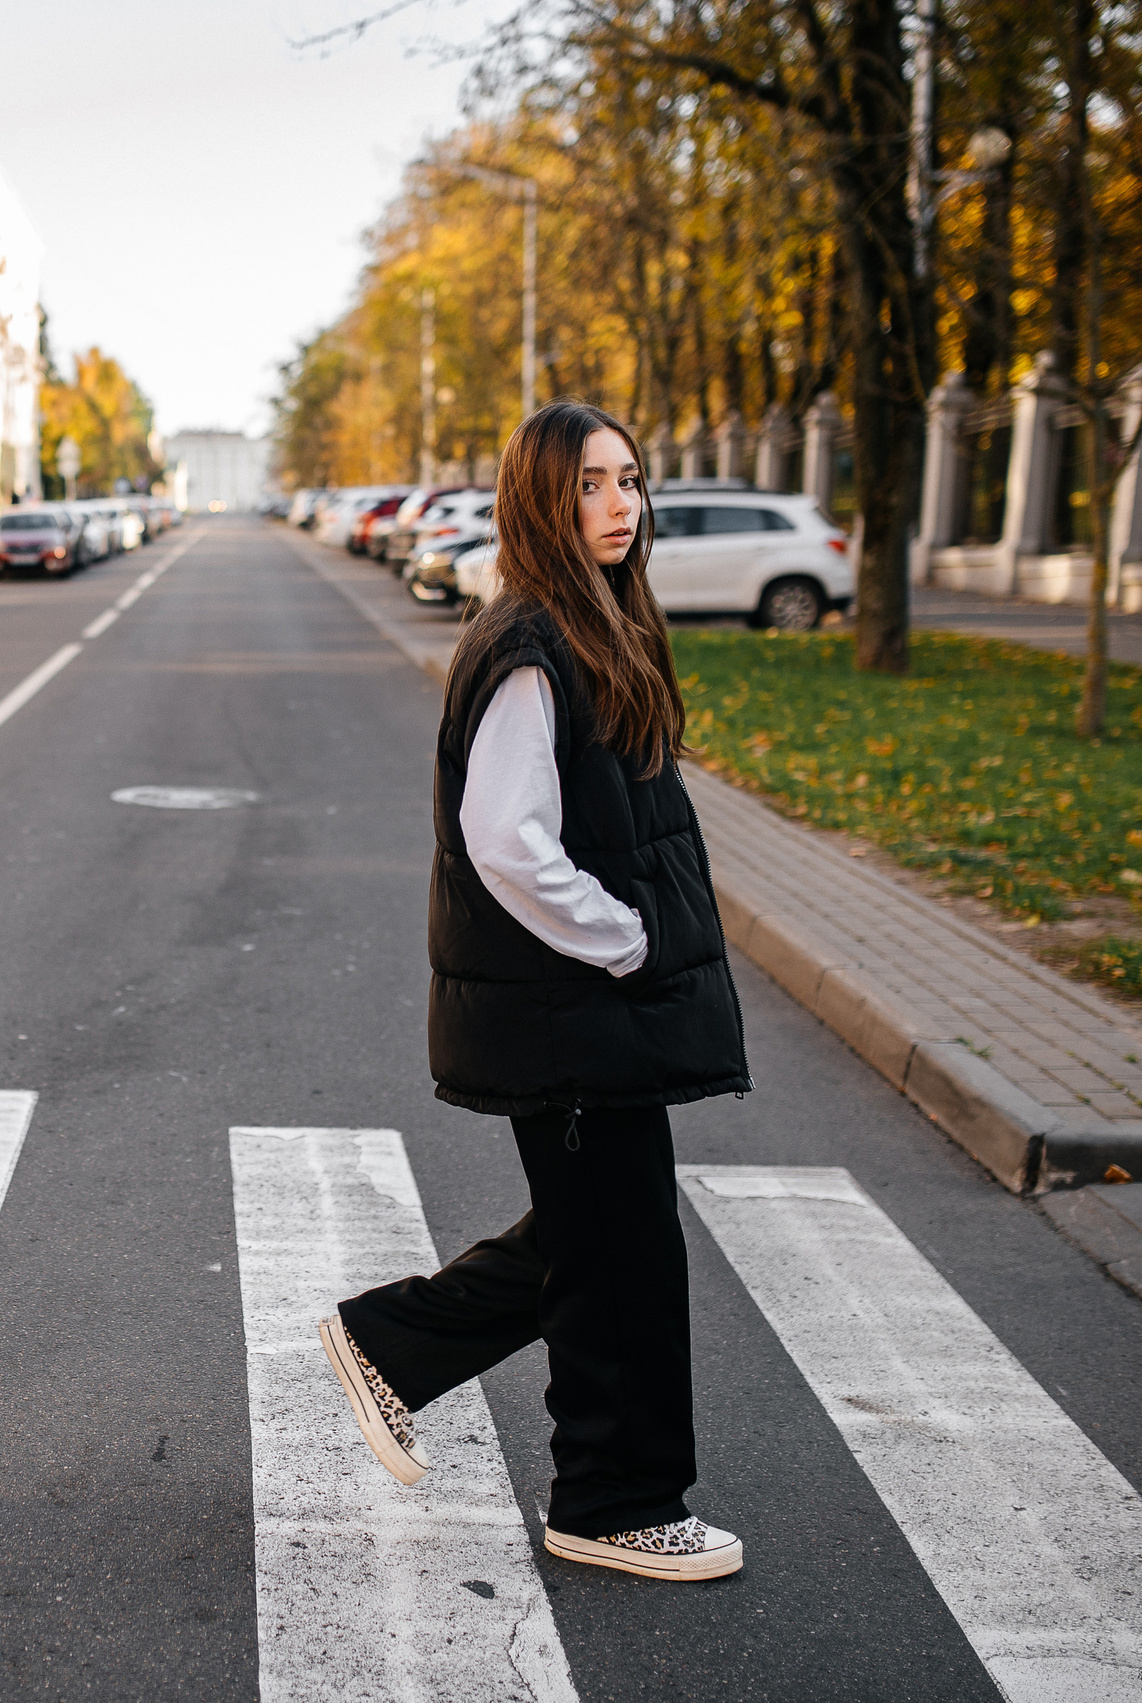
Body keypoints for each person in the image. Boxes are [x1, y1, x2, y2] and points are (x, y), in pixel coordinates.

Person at [317, 398, 751, 1583]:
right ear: (539, 504)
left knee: (603, 1235)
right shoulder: (532, 643)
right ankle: (612, 1503)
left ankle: (390, 1341)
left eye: (628, 480)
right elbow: (505, 837)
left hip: (581, 1009)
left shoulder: (585, 623)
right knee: (621, 1259)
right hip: (571, 1009)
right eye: (589, 487)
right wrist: (622, 942)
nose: (619, 506)